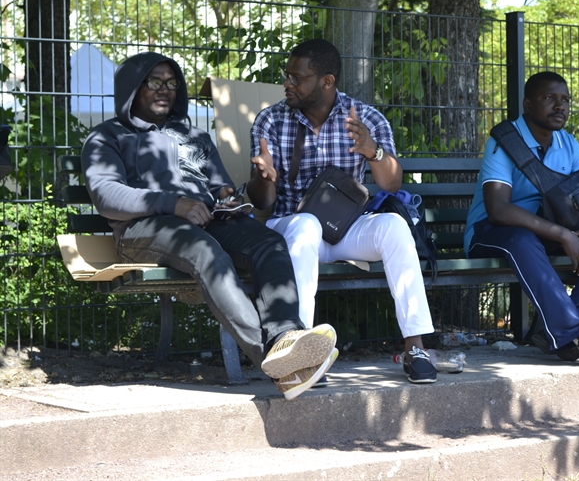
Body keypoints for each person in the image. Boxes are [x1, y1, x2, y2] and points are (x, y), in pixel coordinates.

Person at [81, 52, 337, 400]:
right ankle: (280, 363)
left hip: (207, 219)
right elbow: (107, 195)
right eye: (154, 82)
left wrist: (228, 198)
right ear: (132, 88)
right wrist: (174, 203)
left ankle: (285, 339)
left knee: (269, 244)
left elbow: (220, 186)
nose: (165, 90)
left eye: (172, 83)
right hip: (144, 228)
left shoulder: (195, 136)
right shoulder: (108, 137)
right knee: (206, 253)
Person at [246, 39, 437, 384]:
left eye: (297, 78)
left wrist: (373, 152)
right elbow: (262, 202)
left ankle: (416, 347)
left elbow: (391, 183)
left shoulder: (366, 118)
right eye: (287, 76)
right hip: (292, 228)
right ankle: (300, 351)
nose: (287, 84)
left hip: (345, 227)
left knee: (394, 226)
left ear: (327, 81)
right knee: (306, 225)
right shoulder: (270, 120)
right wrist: (264, 178)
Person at [464, 71, 579, 370]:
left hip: (548, 233)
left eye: (565, 100)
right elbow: (498, 210)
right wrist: (563, 235)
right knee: (521, 238)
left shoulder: (569, 144)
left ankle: (564, 334)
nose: (560, 106)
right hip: (493, 233)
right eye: (549, 98)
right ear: (528, 105)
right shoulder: (503, 141)